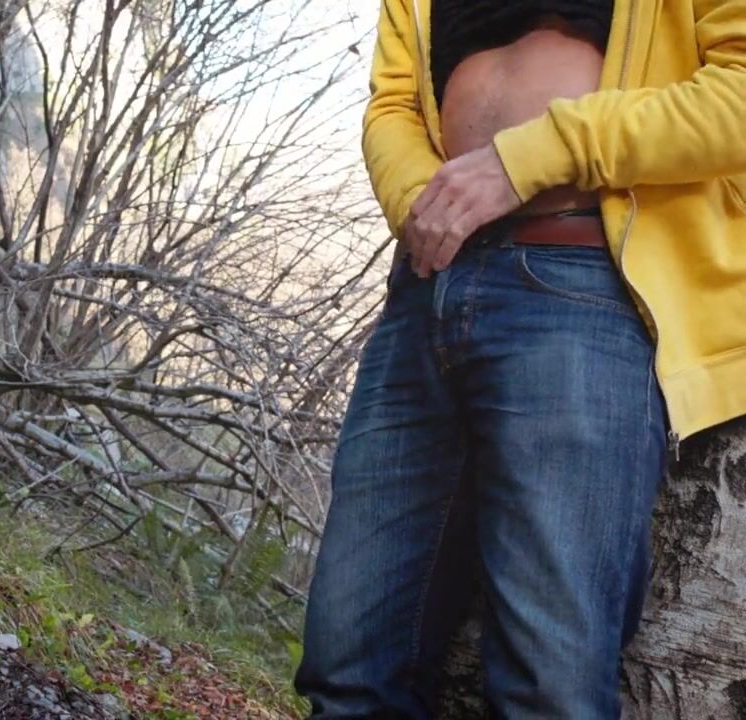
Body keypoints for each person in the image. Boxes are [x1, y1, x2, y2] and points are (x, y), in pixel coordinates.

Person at [294, 0, 746, 716]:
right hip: (427, 286)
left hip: (585, 281)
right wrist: (423, 204)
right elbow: (391, 106)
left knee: (549, 684)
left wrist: (526, 160)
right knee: (347, 672)